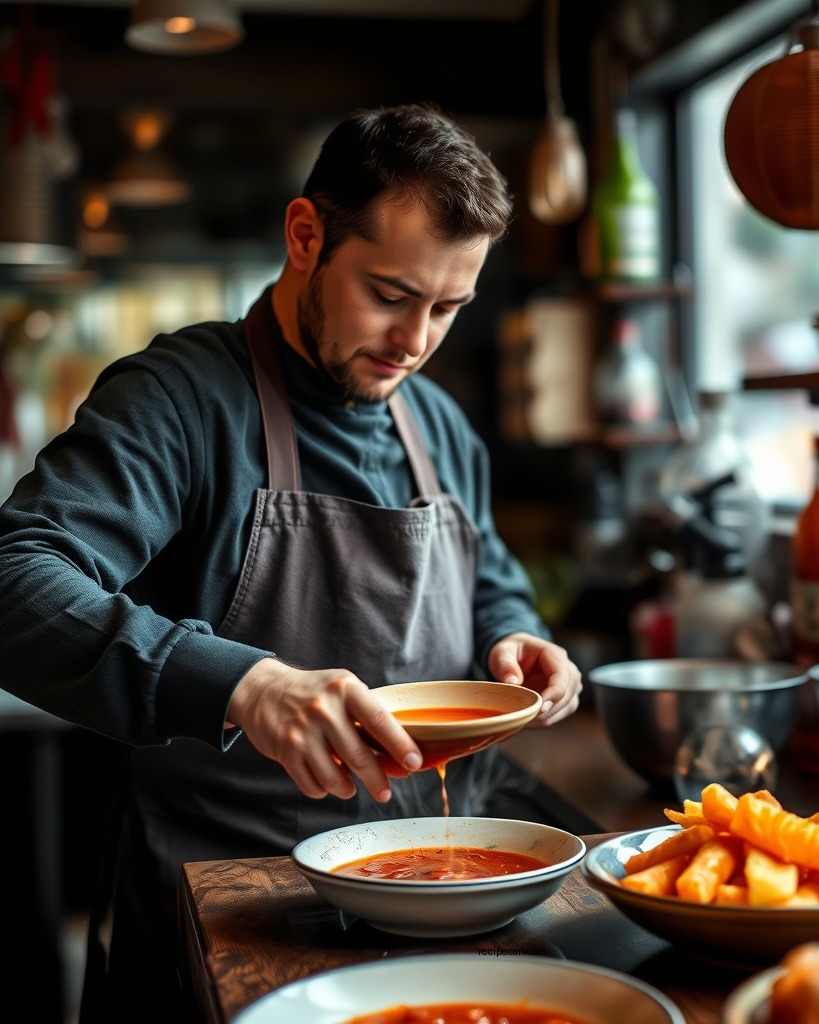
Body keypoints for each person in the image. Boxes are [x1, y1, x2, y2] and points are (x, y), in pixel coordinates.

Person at [0, 102, 582, 1021]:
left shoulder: (439, 426)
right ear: (306, 234)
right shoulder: (180, 402)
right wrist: (246, 686)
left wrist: (520, 636)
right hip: (232, 916)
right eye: (390, 295)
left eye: (447, 308)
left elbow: (490, 577)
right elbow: (16, 579)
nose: (416, 341)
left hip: (430, 900)